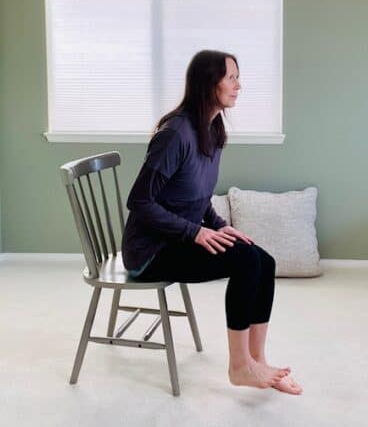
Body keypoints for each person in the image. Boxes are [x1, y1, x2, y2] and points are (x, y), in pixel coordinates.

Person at [121, 50, 302, 395]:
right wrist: (195, 231)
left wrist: (217, 224)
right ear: (209, 83)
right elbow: (139, 201)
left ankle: (257, 360)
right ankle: (239, 368)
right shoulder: (175, 135)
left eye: (238, 77)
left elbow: (197, 195)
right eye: (231, 77)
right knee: (247, 262)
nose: (239, 85)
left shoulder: (212, 129)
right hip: (150, 251)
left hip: (180, 238)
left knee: (264, 259)